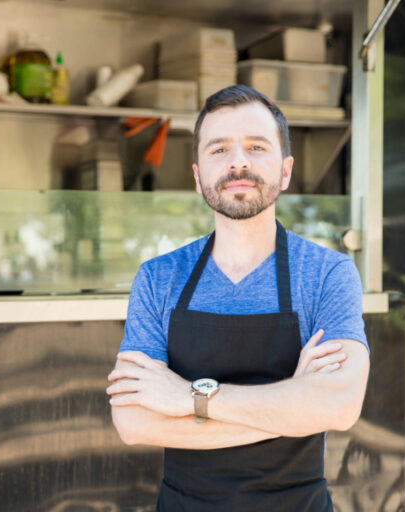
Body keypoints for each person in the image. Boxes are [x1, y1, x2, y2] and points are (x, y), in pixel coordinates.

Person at [106, 84, 369, 511]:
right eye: (219, 149)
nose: (239, 162)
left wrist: (188, 398)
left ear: (285, 171)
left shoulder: (327, 274)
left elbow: (339, 406)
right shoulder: (158, 278)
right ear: (197, 176)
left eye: (256, 147)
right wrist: (295, 405)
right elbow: (134, 422)